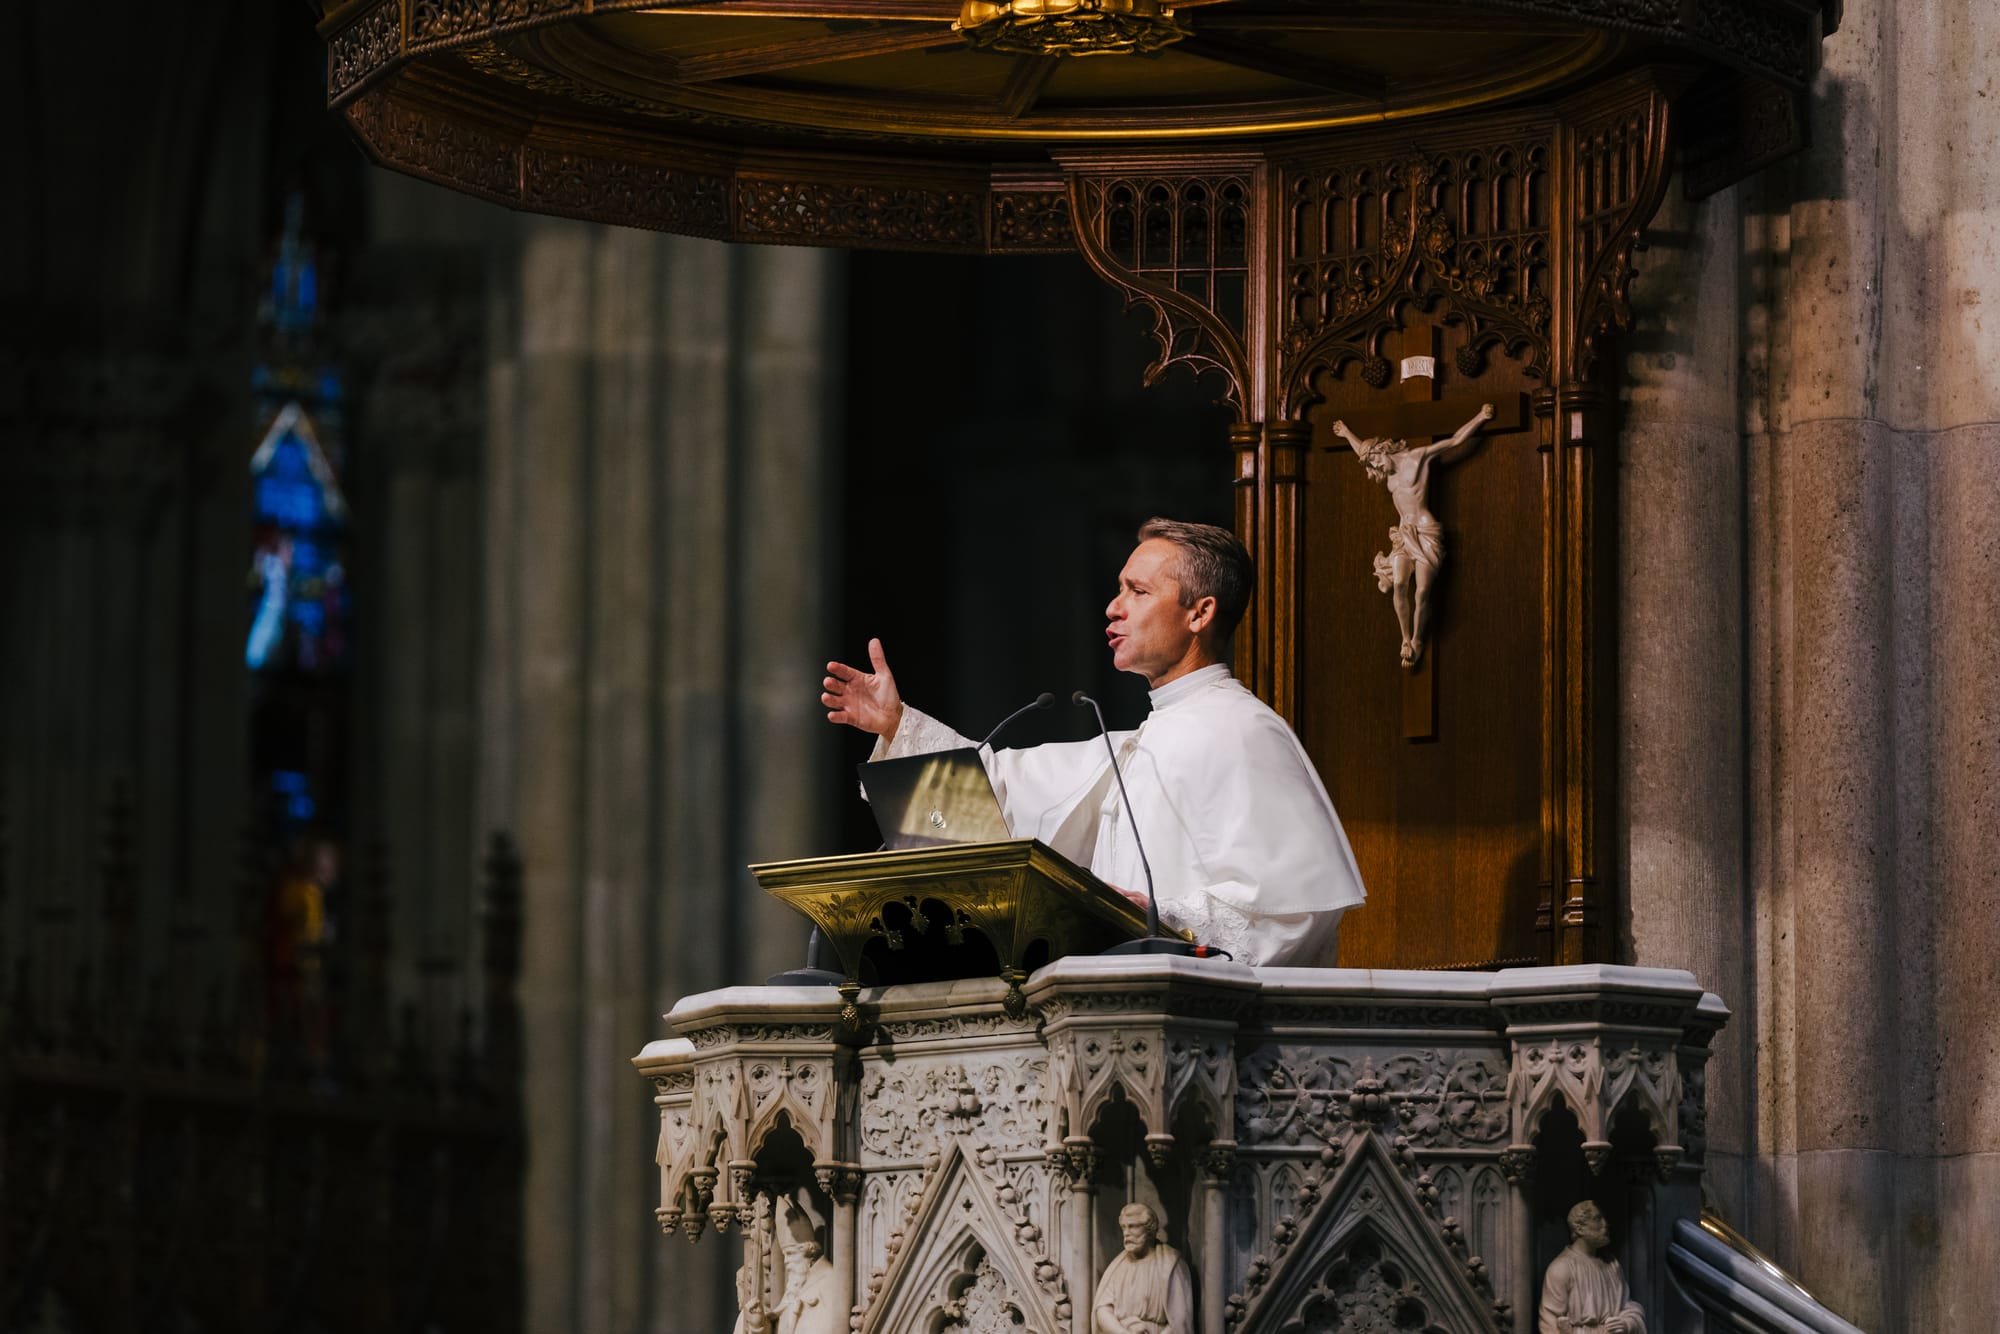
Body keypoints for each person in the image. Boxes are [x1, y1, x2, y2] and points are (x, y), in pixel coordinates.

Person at [821, 518, 1364, 966]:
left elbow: (1296, 913)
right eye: (1118, 588)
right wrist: (897, 727)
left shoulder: (1243, 731)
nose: (1113, 606)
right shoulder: (1143, 739)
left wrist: (1157, 916)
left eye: (1138, 591)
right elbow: (994, 801)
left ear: (1200, 613)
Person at [1331, 403, 1492, 666]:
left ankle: (1418, 639)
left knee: (1423, 592)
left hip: (1426, 532)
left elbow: (1453, 441)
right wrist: (1347, 433)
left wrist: (1480, 417)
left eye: (1375, 459)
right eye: (1371, 463)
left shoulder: (1418, 459)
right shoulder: (1386, 472)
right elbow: (1363, 451)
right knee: (1400, 585)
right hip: (1404, 536)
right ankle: (1405, 638)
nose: (1376, 466)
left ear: (1382, 449)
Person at [1538, 1200, 1646, 1334]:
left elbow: (1628, 1306)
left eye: (1604, 1218)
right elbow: (1549, 1323)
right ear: (1579, 1228)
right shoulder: (1561, 1268)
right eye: (1597, 1219)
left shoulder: (1612, 1265)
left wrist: (1625, 1323)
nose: (1605, 1224)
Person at [1093, 1202, 1194, 1334]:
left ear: (1150, 1231)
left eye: (1133, 1227)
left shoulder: (1171, 1265)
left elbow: (1180, 1320)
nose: (1126, 1233)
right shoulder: (1117, 1267)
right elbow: (1103, 1310)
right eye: (1123, 1227)